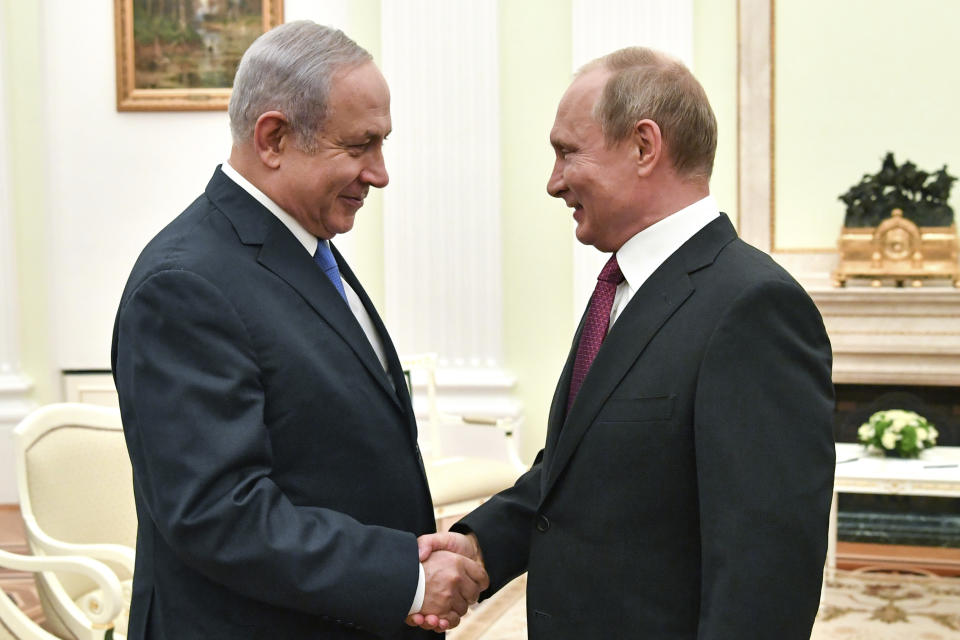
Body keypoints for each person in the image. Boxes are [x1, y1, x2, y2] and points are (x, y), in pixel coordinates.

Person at [413, 46, 835, 638]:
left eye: (566, 152)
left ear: (644, 146)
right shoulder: (623, 285)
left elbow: (766, 572)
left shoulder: (753, 307)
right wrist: (478, 546)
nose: (553, 182)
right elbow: (577, 472)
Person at [111, 21, 486, 639]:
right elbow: (217, 513)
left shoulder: (302, 247)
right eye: (361, 145)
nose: (381, 173)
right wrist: (407, 577)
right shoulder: (184, 285)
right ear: (275, 137)